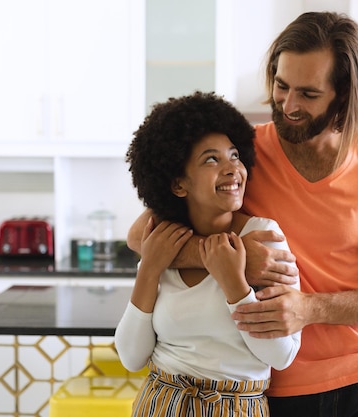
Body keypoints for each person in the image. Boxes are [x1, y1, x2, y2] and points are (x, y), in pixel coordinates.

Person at [127, 11, 358, 417]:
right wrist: (232, 256)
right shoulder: (244, 155)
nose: (289, 105)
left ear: (343, 94)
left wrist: (310, 308)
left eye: (309, 94)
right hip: (273, 382)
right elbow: (141, 236)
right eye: (281, 87)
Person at [115, 91, 301, 417]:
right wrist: (150, 268)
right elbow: (131, 356)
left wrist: (235, 285)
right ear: (178, 184)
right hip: (162, 403)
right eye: (211, 160)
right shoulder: (164, 241)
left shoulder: (264, 238)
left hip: (237, 407)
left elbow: (281, 355)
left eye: (235, 156)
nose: (232, 169)